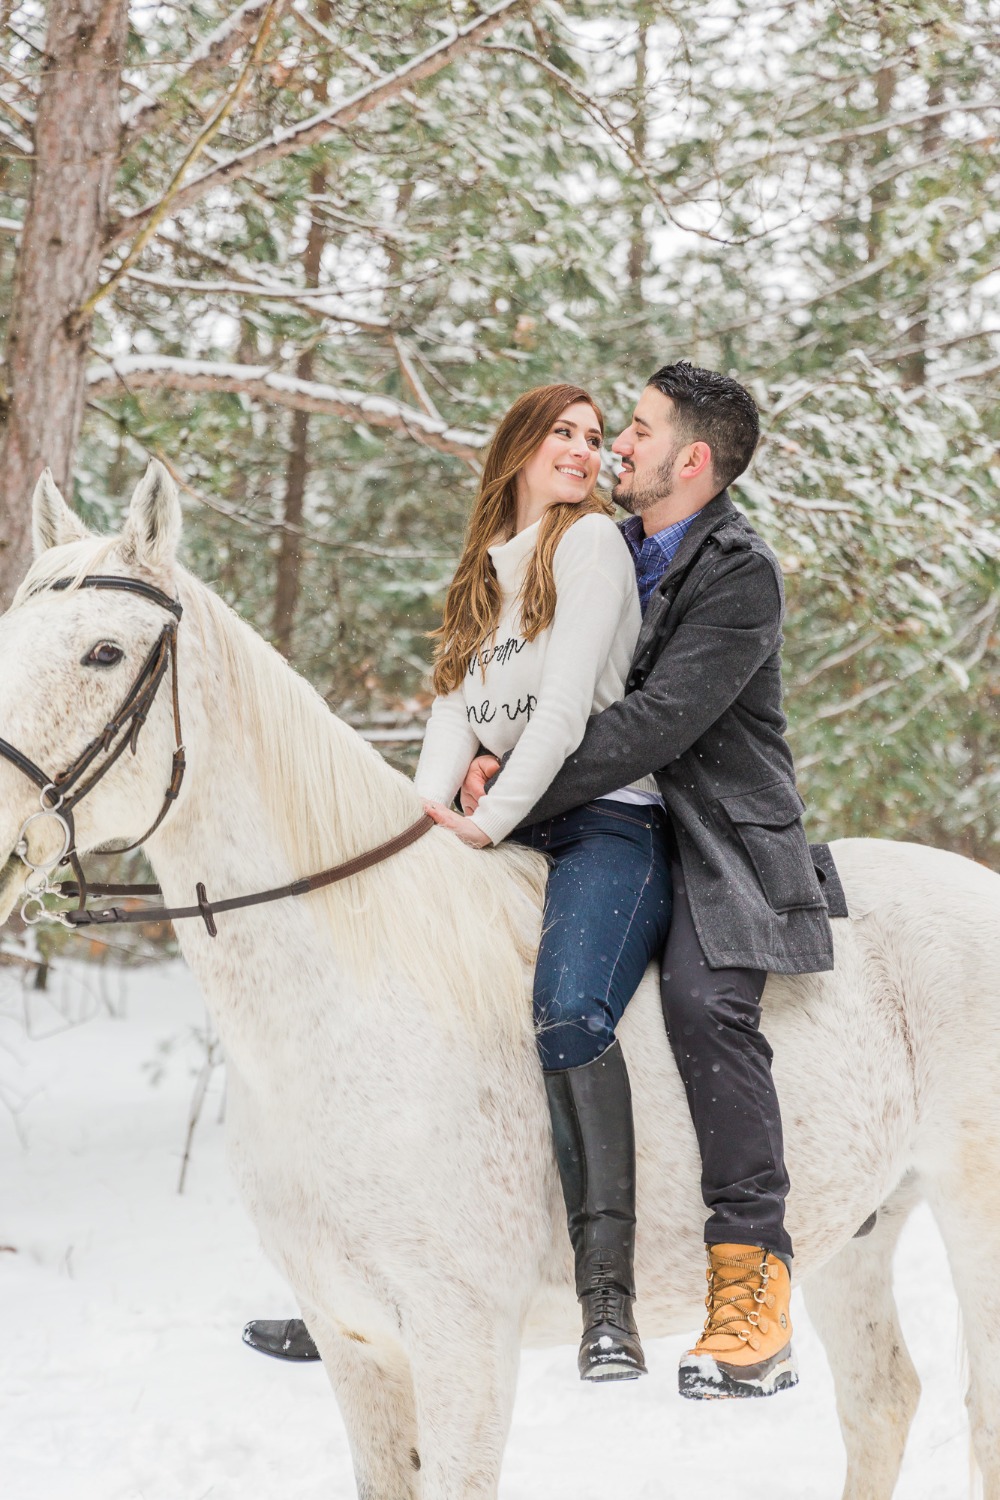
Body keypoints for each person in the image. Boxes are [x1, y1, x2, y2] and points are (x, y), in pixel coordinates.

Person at [245, 383, 674, 1382]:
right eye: (561, 433)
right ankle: (362, 1275)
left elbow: (562, 712)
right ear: (517, 446)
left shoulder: (592, 547)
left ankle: (605, 1297)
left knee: (569, 1011)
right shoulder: (482, 574)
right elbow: (452, 726)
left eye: (593, 437)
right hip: (509, 825)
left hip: (610, 822)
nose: (581, 449)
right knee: (394, 1006)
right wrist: (411, 841)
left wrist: (480, 823)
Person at [462, 361, 833, 1400]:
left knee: (707, 1007)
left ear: (691, 459)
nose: (616, 445)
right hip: (593, 816)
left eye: (636, 429)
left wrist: (512, 796)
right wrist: (481, 757)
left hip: (710, 835)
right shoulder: (604, 545)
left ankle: (751, 1296)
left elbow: (650, 723)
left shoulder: (737, 571)